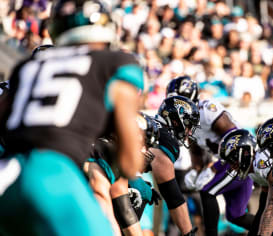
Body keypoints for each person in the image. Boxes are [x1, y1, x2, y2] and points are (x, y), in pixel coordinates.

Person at [0, 0, 145, 234]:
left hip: (6, 176)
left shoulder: (27, 66)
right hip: (53, 175)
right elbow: (130, 163)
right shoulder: (115, 63)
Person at [167, 76, 257, 236]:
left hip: (241, 158)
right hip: (230, 160)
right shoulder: (189, 121)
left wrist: (215, 168)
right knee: (235, 215)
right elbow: (196, 150)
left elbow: (236, 138)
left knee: (207, 191)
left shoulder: (207, 110)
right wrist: (196, 170)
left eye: (176, 101)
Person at [84, 113, 161, 235]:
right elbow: (103, 195)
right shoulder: (107, 153)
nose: (145, 150)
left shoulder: (101, 145)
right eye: (145, 144)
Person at [152, 95, 200, 236]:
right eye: (188, 126)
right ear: (176, 120)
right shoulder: (166, 140)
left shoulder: (153, 125)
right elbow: (173, 197)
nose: (189, 132)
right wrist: (188, 233)